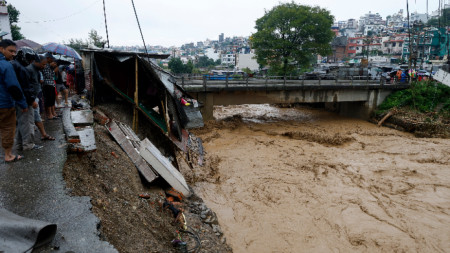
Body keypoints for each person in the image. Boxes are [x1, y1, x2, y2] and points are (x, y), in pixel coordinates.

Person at [0, 40, 28, 162]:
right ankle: (8, 155)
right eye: (11, 51)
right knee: (7, 128)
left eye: (14, 52)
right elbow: (13, 87)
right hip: (4, 104)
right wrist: (23, 103)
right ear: (1, 49)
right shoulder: (6, 65)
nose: (13, 54)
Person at [11, 46, 42, 151]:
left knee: (20, 123)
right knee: (27, 123)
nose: (31, 61)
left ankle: (20, 145)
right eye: (30, 59)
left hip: (15, 100)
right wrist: (31, 100)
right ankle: (29, 145)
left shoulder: (13, 65)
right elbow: (25, 88)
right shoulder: (21, 69)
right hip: (23, 100)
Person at [27, 54, 55, 141]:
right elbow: (27, 86)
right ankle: (27, 144)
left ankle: (43, 134)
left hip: (34, 97)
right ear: (36, 62)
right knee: (29, 120)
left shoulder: (37, 70)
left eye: (45, 64)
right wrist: (31, 99)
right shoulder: (29, 70)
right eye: (43, 64)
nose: (45, 66)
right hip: (30, 99)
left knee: (36, 116)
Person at [41, 52, 58, 120]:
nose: (52, 60)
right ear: (48, 58)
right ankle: (49, 114)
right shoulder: (45, 65)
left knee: (52, 99)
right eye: (51, 59)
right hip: (47, 84)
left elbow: (54, 77)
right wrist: (53, 70)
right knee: (48, 99)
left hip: (51, 84)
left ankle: (53, 113)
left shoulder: (49, 66)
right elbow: (48, 76)